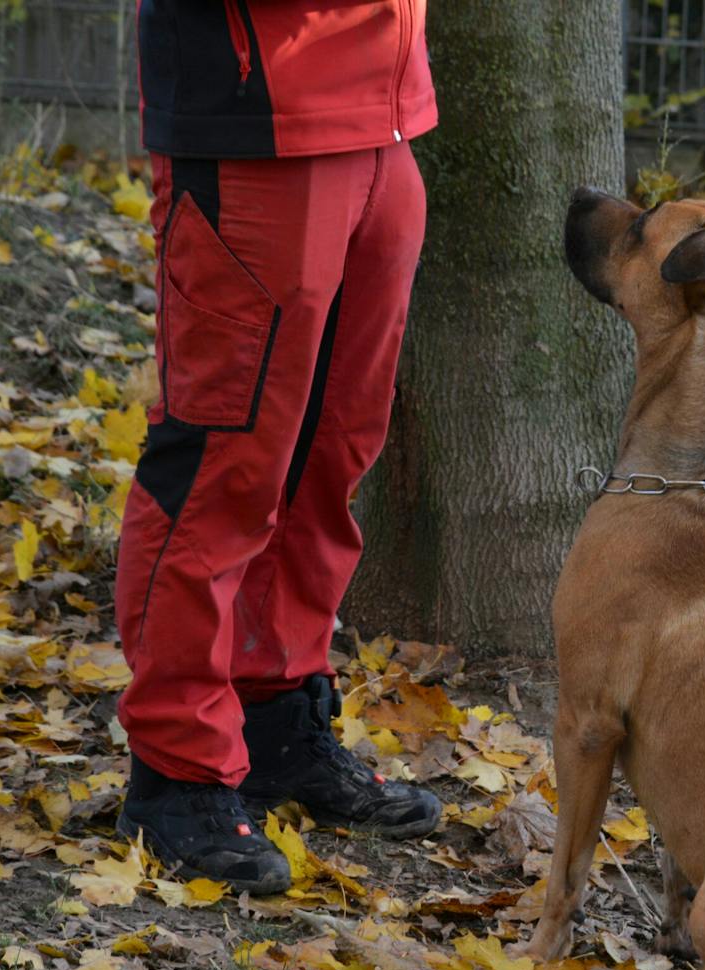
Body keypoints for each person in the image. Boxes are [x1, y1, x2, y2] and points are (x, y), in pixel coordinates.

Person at [114, 0, 442, 893]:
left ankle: (274, 722)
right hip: (254, 118)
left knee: (328, 458)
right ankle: (176, 771)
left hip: (385, 113)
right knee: (224, 460)